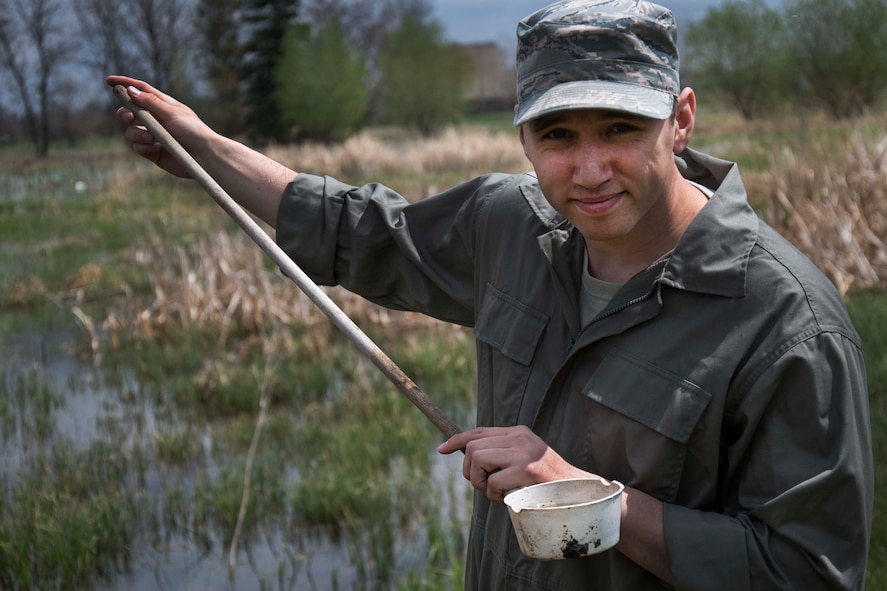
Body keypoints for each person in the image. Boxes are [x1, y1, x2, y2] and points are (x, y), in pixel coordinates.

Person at [107, 0, 873, 588]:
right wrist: (201, 146)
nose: (589, 169)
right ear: (522, 137)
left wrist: (581, 495)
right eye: (558, 135)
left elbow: (804, 569)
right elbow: (359, 231)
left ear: (679, 120)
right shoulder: (509, 224)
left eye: (618, 128)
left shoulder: (784, 322)